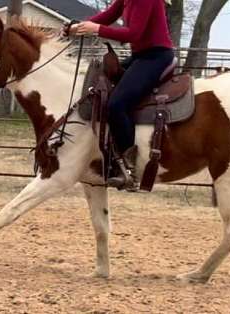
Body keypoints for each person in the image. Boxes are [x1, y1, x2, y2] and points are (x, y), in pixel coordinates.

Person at [70, 0, 175, 190]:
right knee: (100, 84)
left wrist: (96, 29)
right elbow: (108, 16)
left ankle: (128, 168)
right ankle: (103, 150)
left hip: (156, 56)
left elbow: (133, 34)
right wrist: (78, 27)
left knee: (117, 104)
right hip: (141, 56)